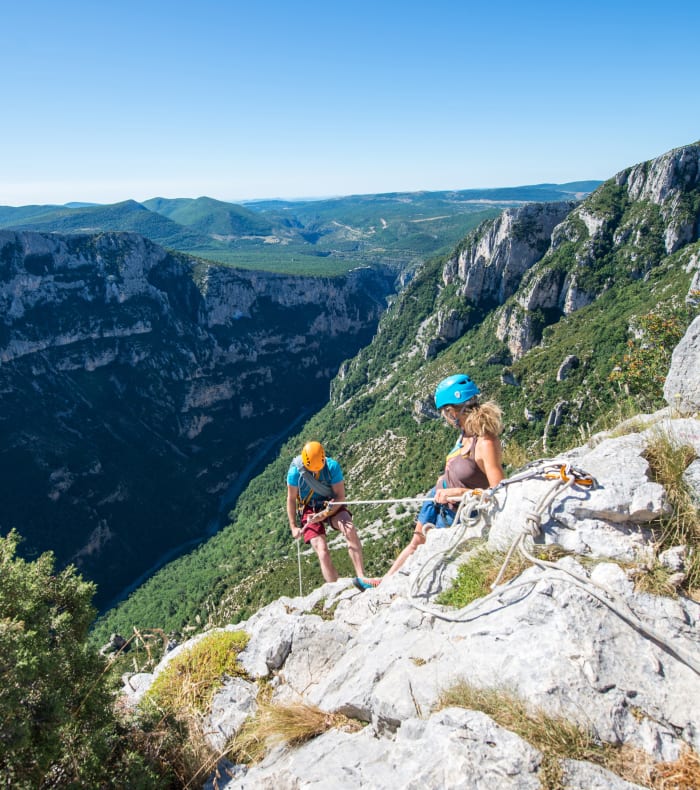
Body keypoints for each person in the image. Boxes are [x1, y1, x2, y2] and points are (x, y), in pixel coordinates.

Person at [353, 374, 505, 590]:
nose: (444, 417)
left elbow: (499, 490)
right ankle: (383, 583)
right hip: (439, 498)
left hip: (456, 511)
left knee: (427, 554)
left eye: (445, 412)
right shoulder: (464, 434)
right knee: (415, 543)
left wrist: (456, 493)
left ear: (453, 411)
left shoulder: (484, 441)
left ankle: (390, 586)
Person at [287, 440, 366, 583]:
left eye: (319, 468)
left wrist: (323, 514)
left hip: (330, 503)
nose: (316, 471)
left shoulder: (332, 467)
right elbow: (291, 499)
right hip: (309, 507)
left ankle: (361, 577)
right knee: (322, 551)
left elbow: (340, 497)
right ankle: (335, 588)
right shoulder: (295, 473)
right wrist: (293, 527)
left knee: (349, 529)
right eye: (312, 469)